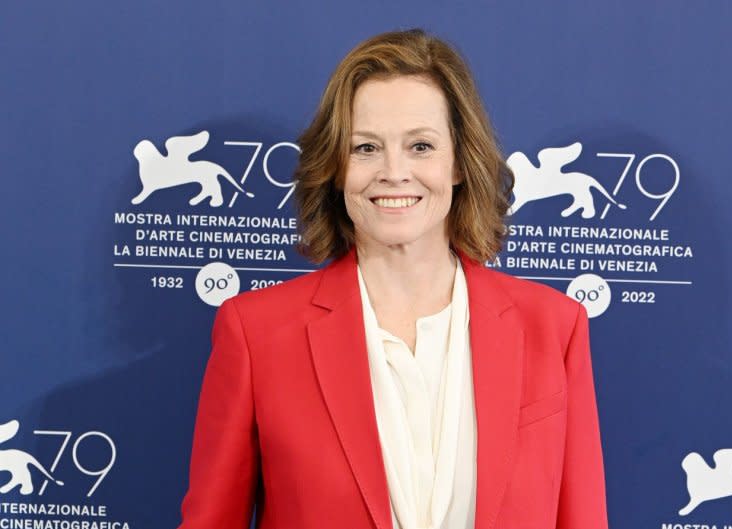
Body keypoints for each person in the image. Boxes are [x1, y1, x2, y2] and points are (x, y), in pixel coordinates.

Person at [178, 29, 608, 529]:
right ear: (336, 169)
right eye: (365, 148)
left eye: (421, 145)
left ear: (459, 164)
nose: (394, 171)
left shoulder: (553, 326)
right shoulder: (256, 332)